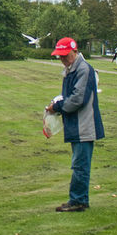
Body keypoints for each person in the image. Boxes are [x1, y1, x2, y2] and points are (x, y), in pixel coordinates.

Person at [45, 37, 104, 212]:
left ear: (74, 51)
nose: (62, 59)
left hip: (84, 125)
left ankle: (78, 200)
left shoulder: (83, 69)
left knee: (80, 164)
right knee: (78, 163)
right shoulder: (71, 69)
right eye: (60, 56)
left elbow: (78, 99)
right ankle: (78, 199)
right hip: (76, 124)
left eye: (65, 55)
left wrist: (57, 107)